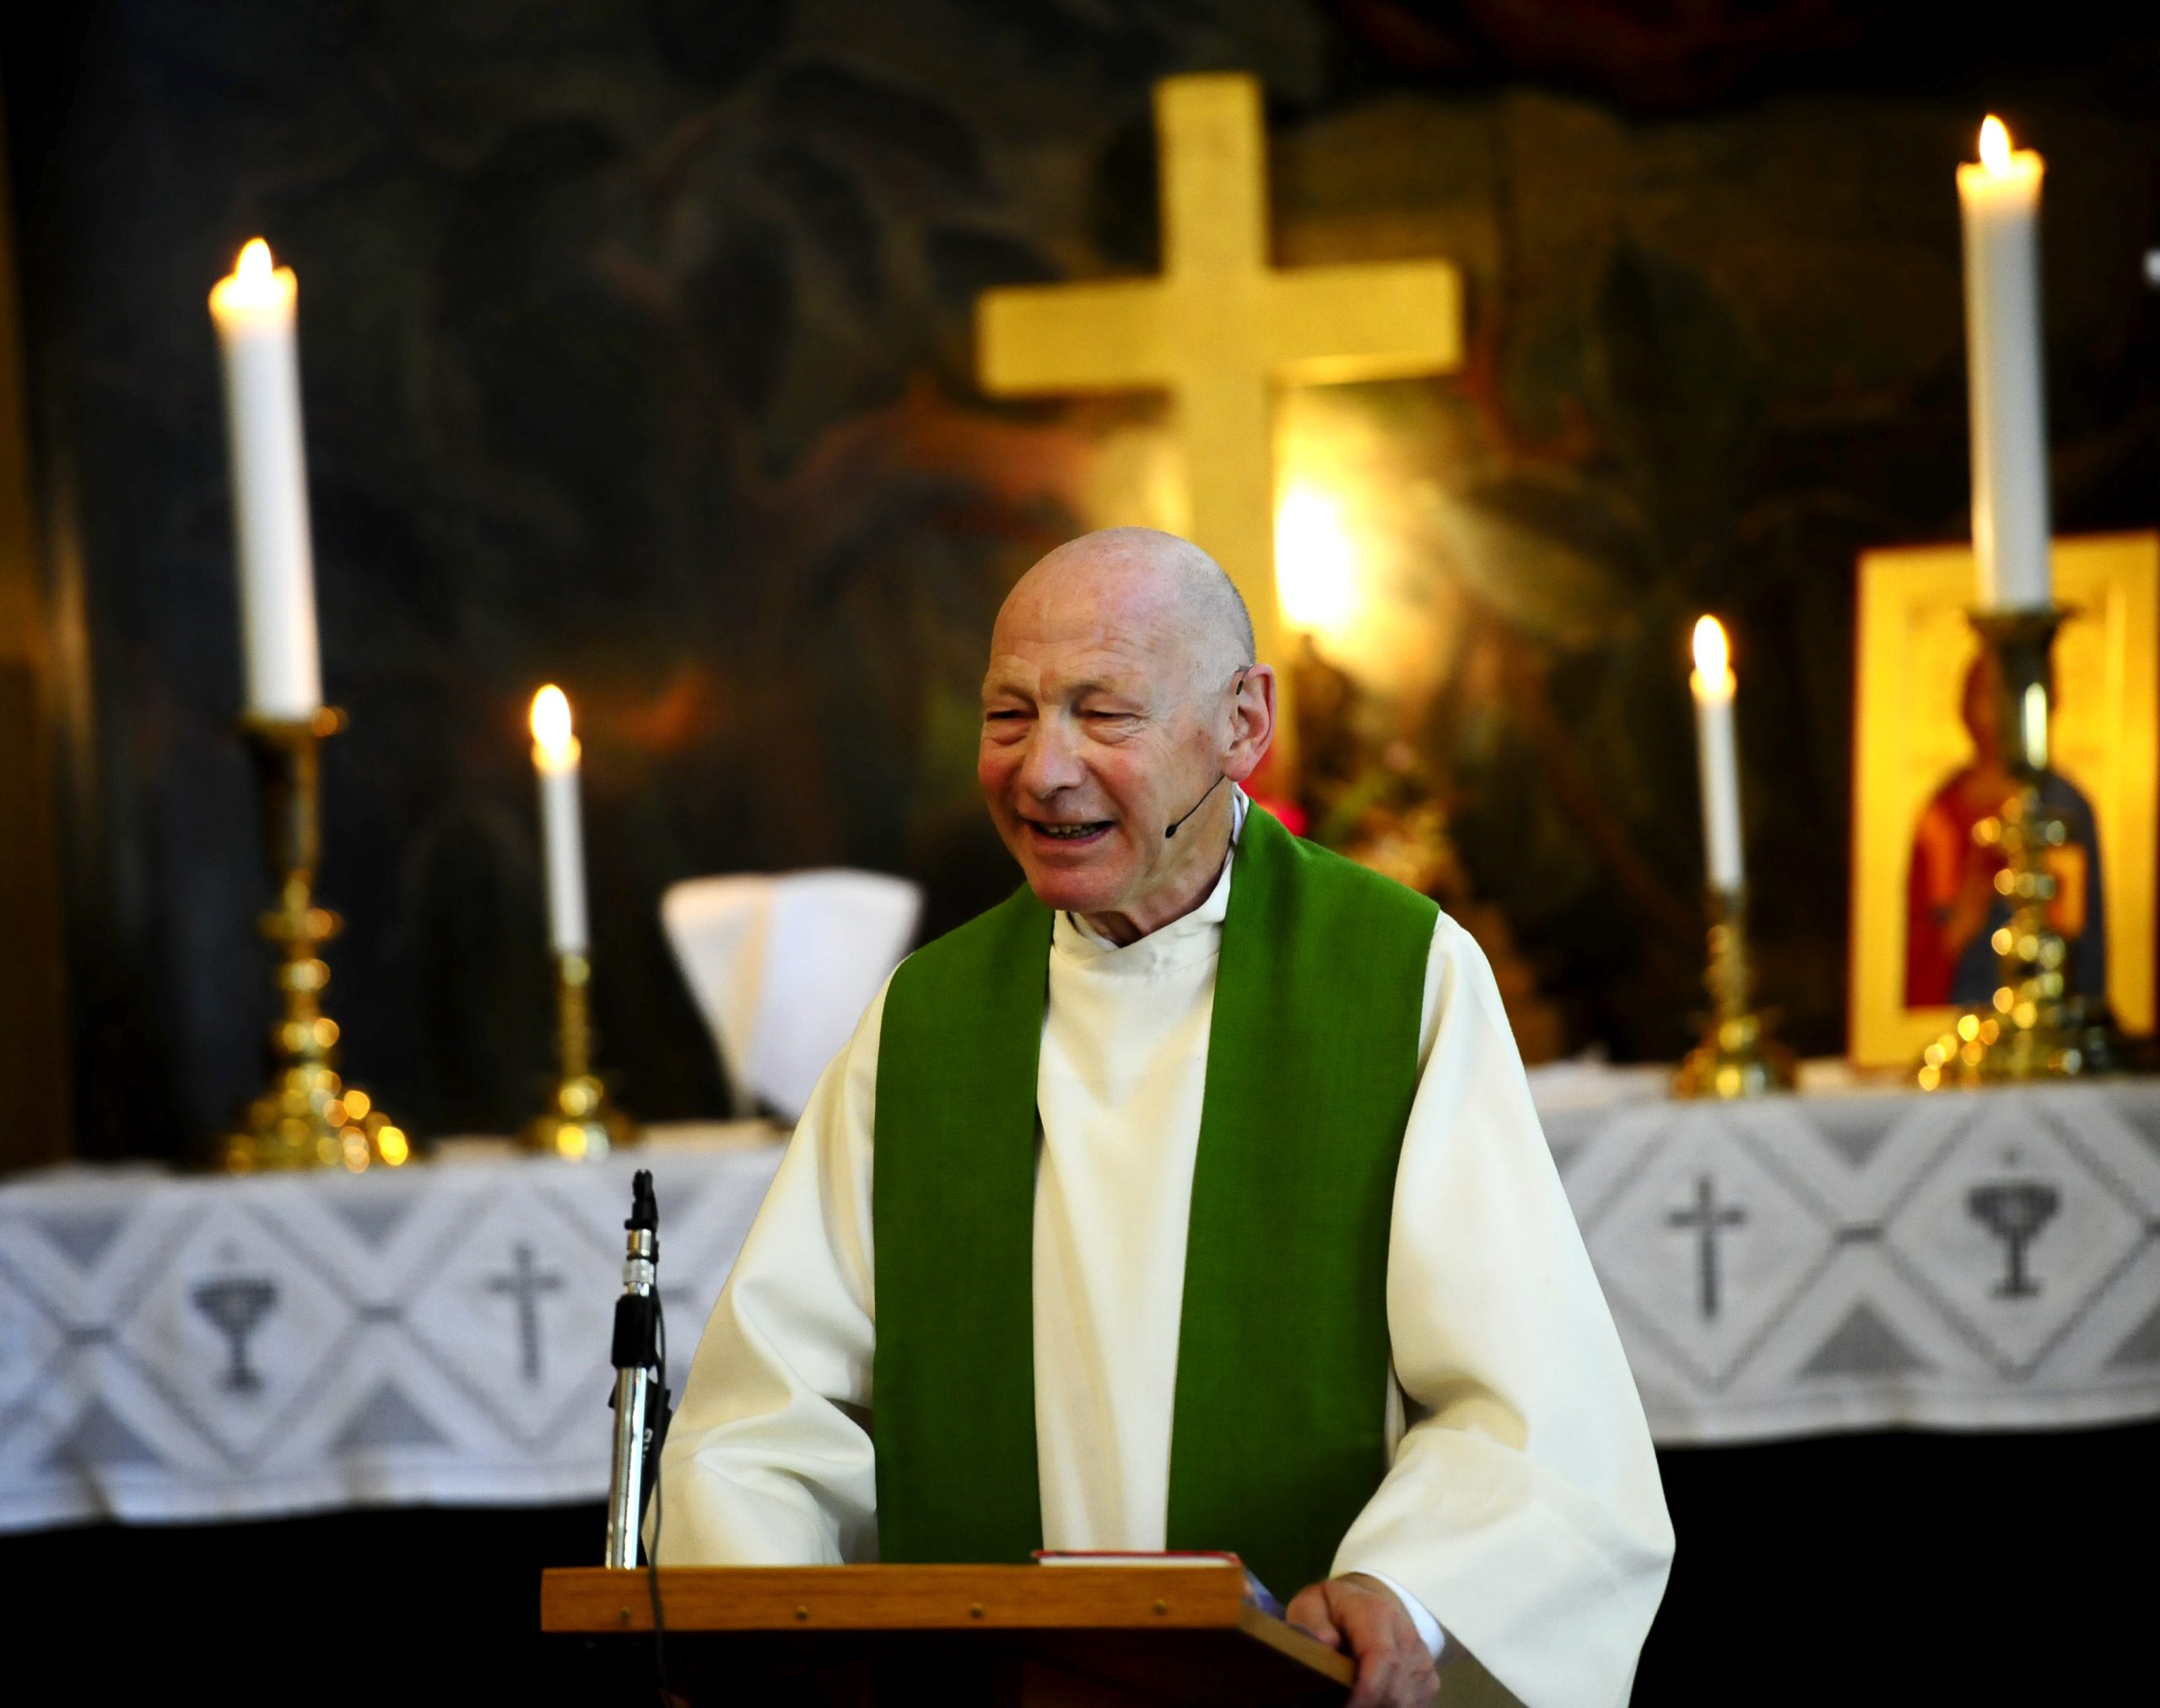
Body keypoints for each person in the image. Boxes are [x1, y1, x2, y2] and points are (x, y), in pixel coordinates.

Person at [658, 528, 1673, 1707]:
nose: (1044, 770)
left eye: (1103, 714)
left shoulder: (1399, 980)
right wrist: (766, 1625)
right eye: (1008, 716)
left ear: (1243, 721)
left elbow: (1531, 1406)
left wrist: (1408, 1587)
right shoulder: (926, 1022)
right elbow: (773, 1412)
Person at [1905, 651, 2105, 1008]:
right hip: (1962, 1008)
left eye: (2012, 694)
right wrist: (1962, 919)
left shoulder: (2064, 809)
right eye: (1985, 693)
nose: (1996, 711)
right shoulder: (1941, 815)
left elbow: (2081, 941)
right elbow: (1916, 949)